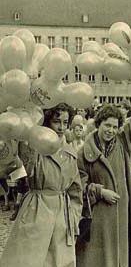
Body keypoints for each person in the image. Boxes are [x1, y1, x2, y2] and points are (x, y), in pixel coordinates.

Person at [0, 103, 83, 267]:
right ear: (46, 122)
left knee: (59, 261)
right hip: (36, 209)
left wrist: (73, 216)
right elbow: (24, 171)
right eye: (56, 121)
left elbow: (76, 190)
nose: (61, 127)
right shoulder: (34, 148)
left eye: (65, 122)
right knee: (30, 260)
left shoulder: (70, 153)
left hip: (62, 216)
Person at [76, 89, 131, 267]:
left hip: (122, 216)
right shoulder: (84, 152)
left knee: (120, 258)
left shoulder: (124, 144)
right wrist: (100, 191)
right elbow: (78, 186)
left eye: (115, 127)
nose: (111, 130)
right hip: (98, 217)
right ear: (98, 124)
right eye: (107, 125)